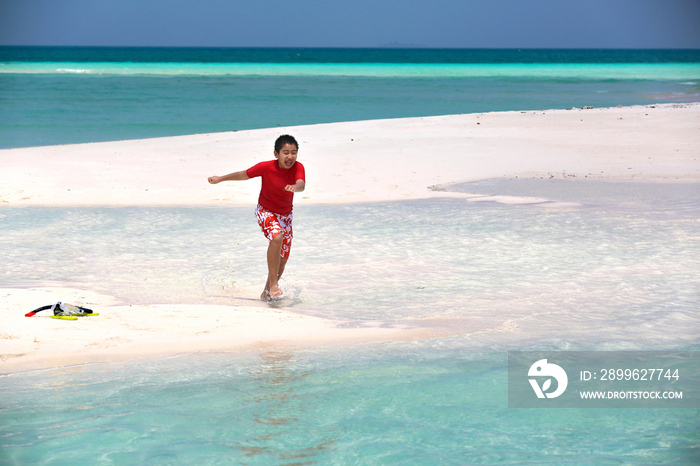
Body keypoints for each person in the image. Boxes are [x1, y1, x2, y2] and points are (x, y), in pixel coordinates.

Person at [208, 135, 305, 301]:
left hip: (286, 216)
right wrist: (221, 179)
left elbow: (301, 184)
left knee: (283, 258)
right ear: (276, 153)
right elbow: (244, 175)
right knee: (277, 237)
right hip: (265, 211)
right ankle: (274, 284)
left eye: (294, 152)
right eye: (285, 152)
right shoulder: (266, 167)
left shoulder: (298, 167)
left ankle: (267, 293)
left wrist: (295, 187)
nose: (290, 156)